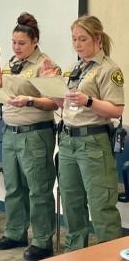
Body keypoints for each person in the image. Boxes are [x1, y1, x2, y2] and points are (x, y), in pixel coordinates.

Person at [43, 15, 124, 252]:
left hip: (93, 143)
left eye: (82, 39)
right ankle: (75, 253)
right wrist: (50, 84)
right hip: (68, 141)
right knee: (71, 202)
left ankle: (110, 254)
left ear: (97, 38)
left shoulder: (109, 70)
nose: (77, 44)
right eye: (74, 39)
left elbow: (116, 109)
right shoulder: (75, 67)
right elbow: (63, 103)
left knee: (101, 206)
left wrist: (88, 101)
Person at [0, 12, 59, 261]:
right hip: (10, 133)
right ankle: (15, 232)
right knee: (13, 186)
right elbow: (7, 94)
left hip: (35, 134)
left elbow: (54, 102)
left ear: (35, 41)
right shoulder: (11, 62)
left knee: (38, 188)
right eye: (14, 42)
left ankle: (42, 240)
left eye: (22, 43)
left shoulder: (45, 65)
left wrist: (30, 100)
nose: (16, 47)